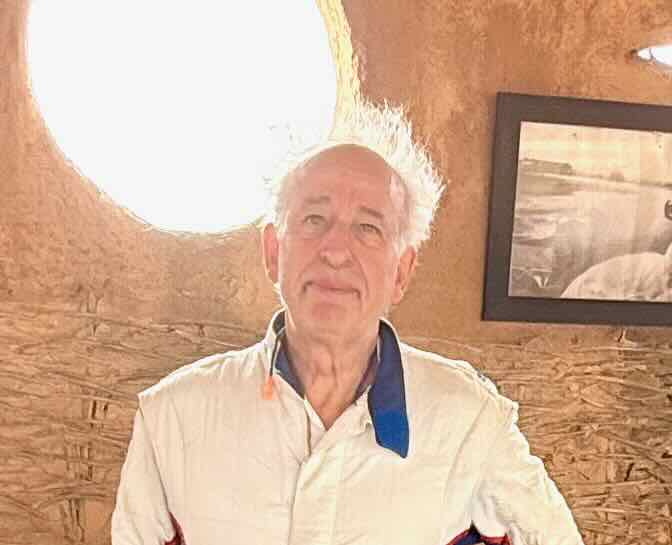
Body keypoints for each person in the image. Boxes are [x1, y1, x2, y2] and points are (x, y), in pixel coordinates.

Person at [112, 101, 584, 545]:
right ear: (273, 251)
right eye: (314, 219)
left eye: (368, 228)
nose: (336, 251)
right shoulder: (173, 417)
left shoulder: (468, 422)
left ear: (401, 272)